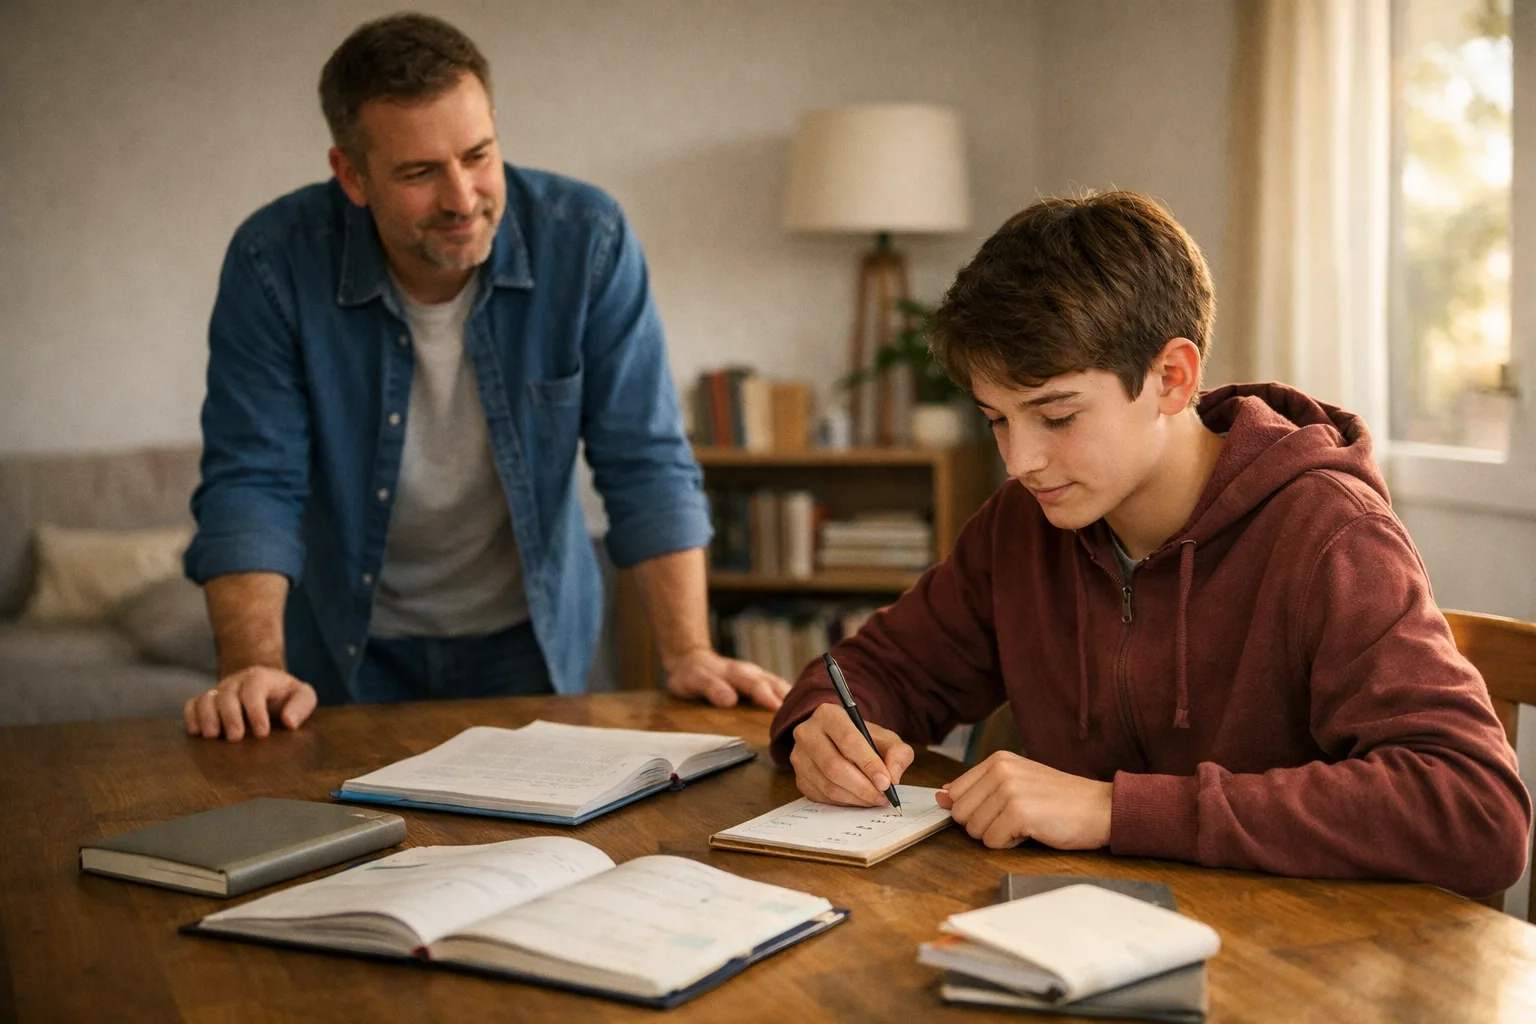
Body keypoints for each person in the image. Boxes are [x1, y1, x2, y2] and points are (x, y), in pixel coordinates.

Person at [771, 190, 1530, 896]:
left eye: (1056, 416)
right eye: (996, 417)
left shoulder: (1329, 535)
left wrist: (1112, 812)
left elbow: (1475, 808)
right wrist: (823, 726)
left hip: (1297, 968)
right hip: (1074, 944)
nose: (1020, 460)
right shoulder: (1022, 524)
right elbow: (875, 670)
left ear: (1171, 378)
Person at [183, 13, 787, 742]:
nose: (462, 198)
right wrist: (253, 665)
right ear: (352, 175)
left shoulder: (587, 239)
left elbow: (646, 460)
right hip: (346, 646)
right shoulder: (273, 260)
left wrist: (688, 651)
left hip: (529, 643)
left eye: (478, 154)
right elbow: (252, 480)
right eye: (417, 173)